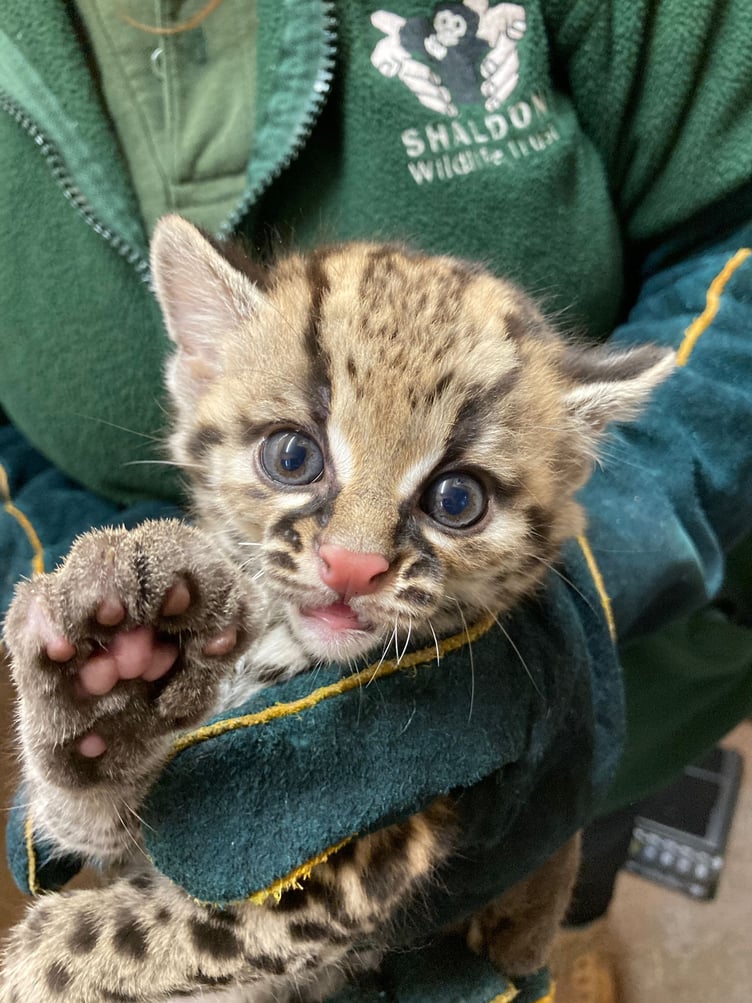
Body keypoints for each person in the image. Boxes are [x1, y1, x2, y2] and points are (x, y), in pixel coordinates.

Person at [1, 2, 752, 1000]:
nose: (353, 556)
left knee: (577, 832)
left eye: (453, 495)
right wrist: (83, 627)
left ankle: (571, 933)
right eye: (293, 456)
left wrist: (57, 968)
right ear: (201, 373)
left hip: (637, 679)